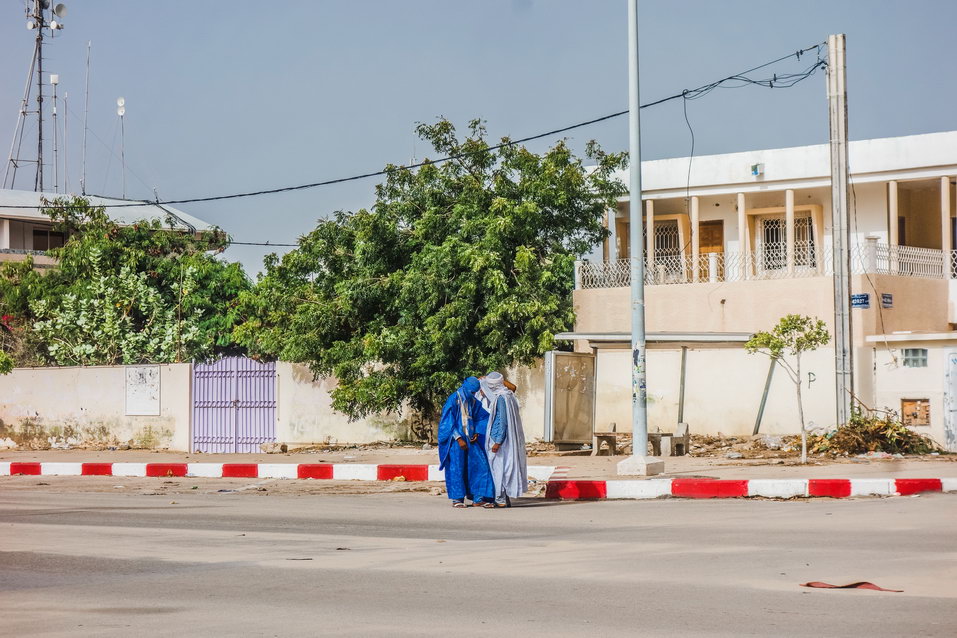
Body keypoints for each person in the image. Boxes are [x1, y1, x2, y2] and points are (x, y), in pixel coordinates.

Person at [437, 376, 495, 508]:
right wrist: (458, 438)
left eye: (475, 392)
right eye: (472, 392)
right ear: (466, 388)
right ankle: (457, 499)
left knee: (481, 465)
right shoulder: (453, 399)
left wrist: (477, 432)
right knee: (457, 468)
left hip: (471, 439)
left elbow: (482, 417)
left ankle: (478, 498)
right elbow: (446, 422)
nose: (473, 395)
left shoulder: (473, 401)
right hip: (456, 442)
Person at [480, 371, 528, 507]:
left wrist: (497, 441)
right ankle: (503, 498)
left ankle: (499, 499)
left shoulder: (501, 398)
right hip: (507, 440)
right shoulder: (509, 395)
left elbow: (502, 421)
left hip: (499, 439)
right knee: (504, 467)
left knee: (498, 469)